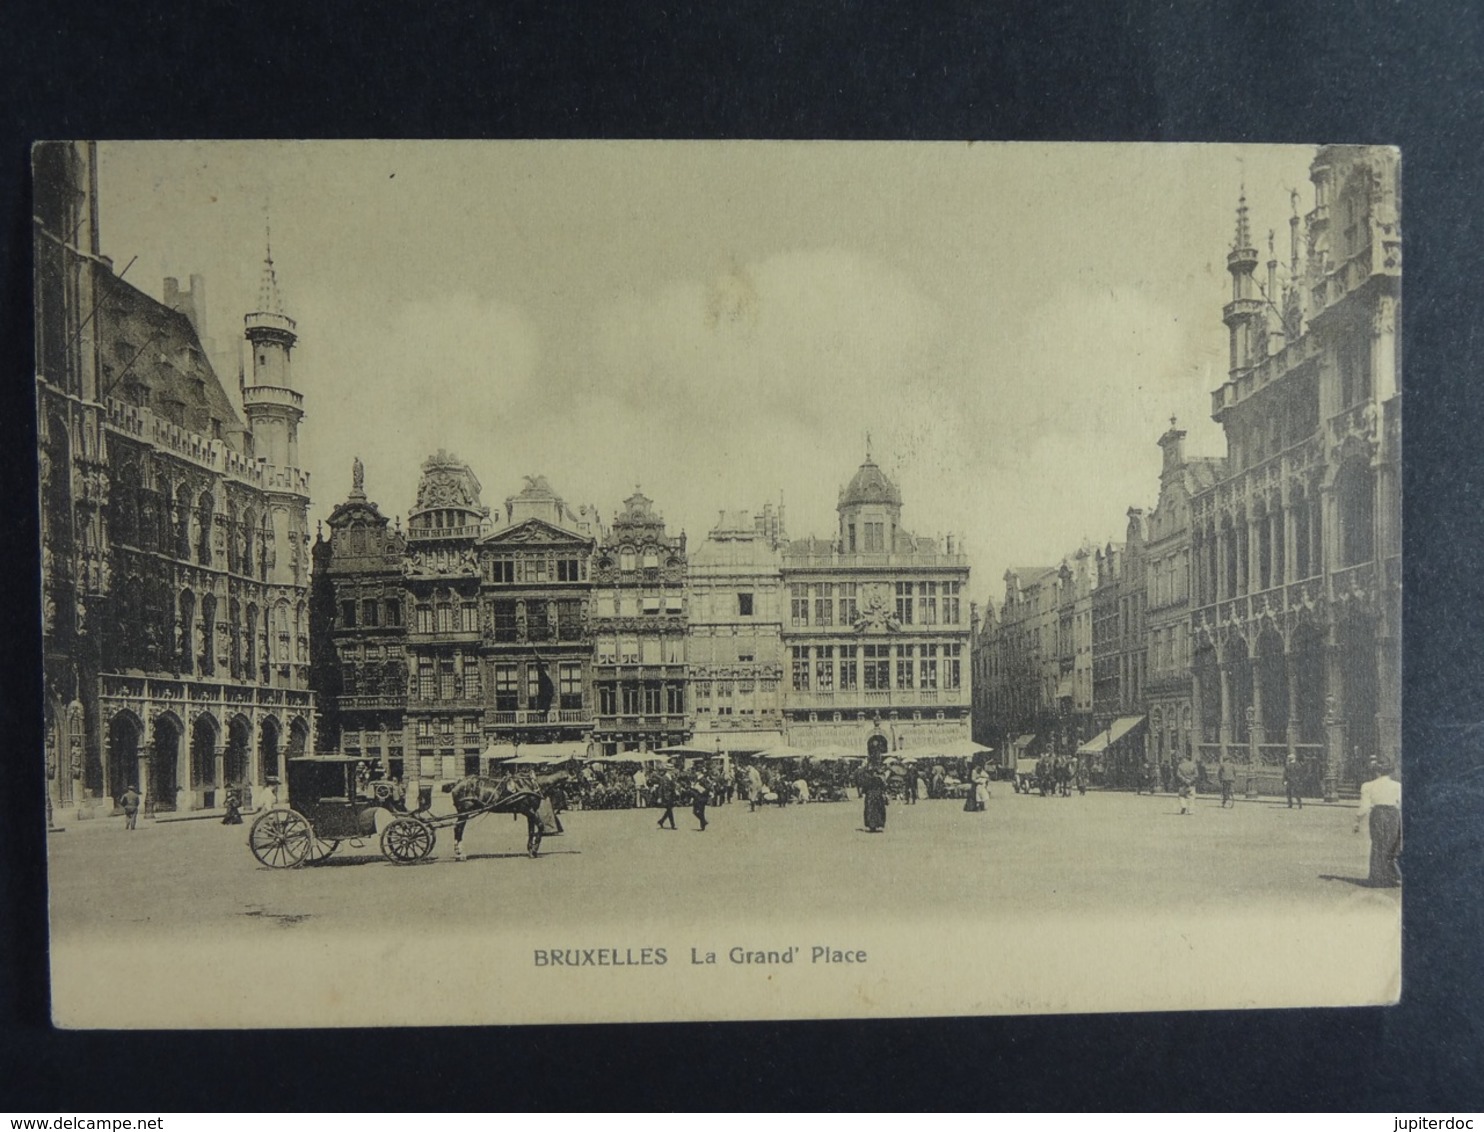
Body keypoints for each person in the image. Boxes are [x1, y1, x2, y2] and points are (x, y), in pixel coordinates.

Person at [1355, 761, 1401, 887]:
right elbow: (1401, 804)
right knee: (1392, 844)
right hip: (1393, 814)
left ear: (1377, 771)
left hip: (1377, 814)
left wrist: (1357, 821)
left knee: (1377, 844)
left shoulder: (1368, 785)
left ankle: (1376, 878)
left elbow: (1364, 807)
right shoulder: (1397, 786)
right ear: (1391, 771)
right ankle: (1391, 876)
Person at [859, 756, 889, 832]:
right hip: (878, 796)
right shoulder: (879, 779)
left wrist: (864, 792)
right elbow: (884, 787)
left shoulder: (868, 779)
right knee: (878, 810)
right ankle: (878, 823)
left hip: (870, 796)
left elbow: (864, 788)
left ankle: (872, 825)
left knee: (870, 810)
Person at [1175, 751, 1198, 815]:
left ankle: (1183, 806)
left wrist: (1184, 779)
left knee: (1181, 796)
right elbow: (1196, 774)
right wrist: (1190, 780)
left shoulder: (1180, 766)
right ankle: (1190, 810)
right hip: (1191, 784)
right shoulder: (1193, 765)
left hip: (1182, 784)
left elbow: (1178, 774)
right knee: (1191, 797)